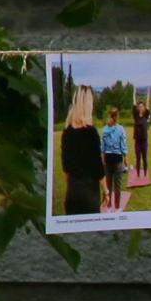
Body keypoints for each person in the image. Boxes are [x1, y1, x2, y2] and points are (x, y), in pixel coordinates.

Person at [57, 87, 103, 217]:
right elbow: (98, 168)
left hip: (72, 192)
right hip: (89, 193)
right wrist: (106, 190)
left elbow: (66, 168)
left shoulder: (67, 132)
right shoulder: (91, 132)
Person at [99, 106, 130, 211]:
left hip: (107, 159)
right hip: (117, 159)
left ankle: (107, 206)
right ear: (117, 116)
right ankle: (116, 207)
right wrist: (125, 157)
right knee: (118, 185)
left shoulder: (104, 129)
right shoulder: (120, 129)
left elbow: (102, 146)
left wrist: (103, 158)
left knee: (107, 185)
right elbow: (123, 144)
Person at [131, 93, 151, 182]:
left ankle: (145, 174)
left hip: (144, 141)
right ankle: (138, 175)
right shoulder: (136, 116)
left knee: (144, 158)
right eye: (139, 106)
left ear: (143, 108)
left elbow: (148, 105)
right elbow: (134, 104)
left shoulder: (145, 116)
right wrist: (134, 93)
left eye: (142, 106)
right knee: (138, 158)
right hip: (137, 141)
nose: (140, 108)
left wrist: (148, 93)